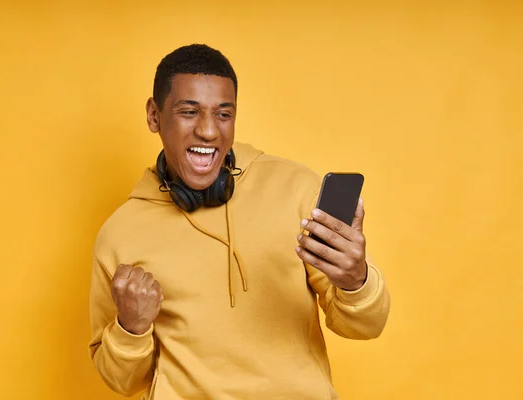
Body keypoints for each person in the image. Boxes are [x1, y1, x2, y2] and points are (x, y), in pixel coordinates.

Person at [88, 43, 390, 400]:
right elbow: (121, 381)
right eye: (189, 112)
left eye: (223, 114)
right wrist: (130, 328)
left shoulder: (296, 191)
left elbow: (366, 327)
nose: (208, 131)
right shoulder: (120, 235)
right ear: (154, 115)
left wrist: (356, 281)